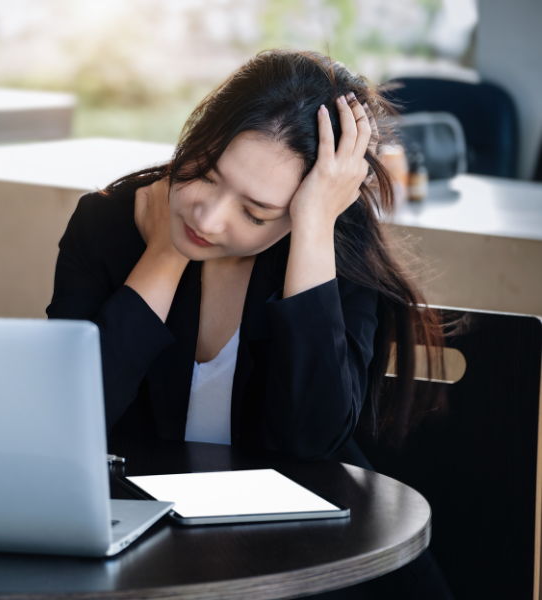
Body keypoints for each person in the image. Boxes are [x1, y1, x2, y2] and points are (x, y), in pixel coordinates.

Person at [47, 50, 452, 599]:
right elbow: (69, 421)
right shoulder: (107, 226)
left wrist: (312, 233)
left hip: (312, 560)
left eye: (256, 214)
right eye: (207, 175)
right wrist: (165, 254)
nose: (209, 218)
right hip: (146, 557)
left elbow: (311, 442)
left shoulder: (331, 246)